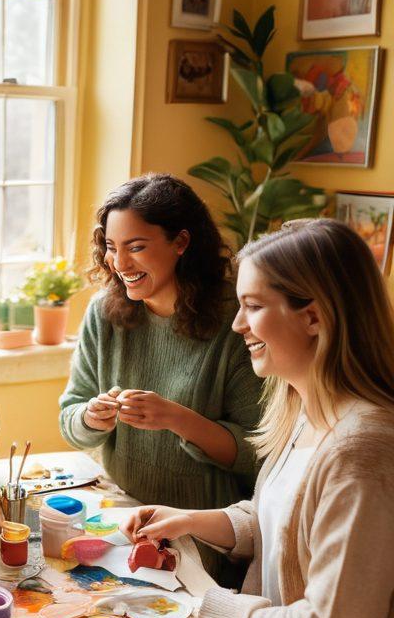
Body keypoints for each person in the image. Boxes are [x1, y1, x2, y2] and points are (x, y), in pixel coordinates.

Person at [122, 219, 394, 618]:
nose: (237, 325)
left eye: (253, 306)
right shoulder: (301, 405)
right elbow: (285, 521)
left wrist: (208, 603)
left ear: (314, 315)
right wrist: (193, 520)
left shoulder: (361, 450)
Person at [58, 174, 262, 573]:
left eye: (136, 248)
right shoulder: (104, 313)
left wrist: (176, 418)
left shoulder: (235, 322)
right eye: (112, 248)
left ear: (181, 242)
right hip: (122, 514)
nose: (120, 264)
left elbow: (257, 453)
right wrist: (90, 417)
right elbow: (71, 418)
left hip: (202, 532)